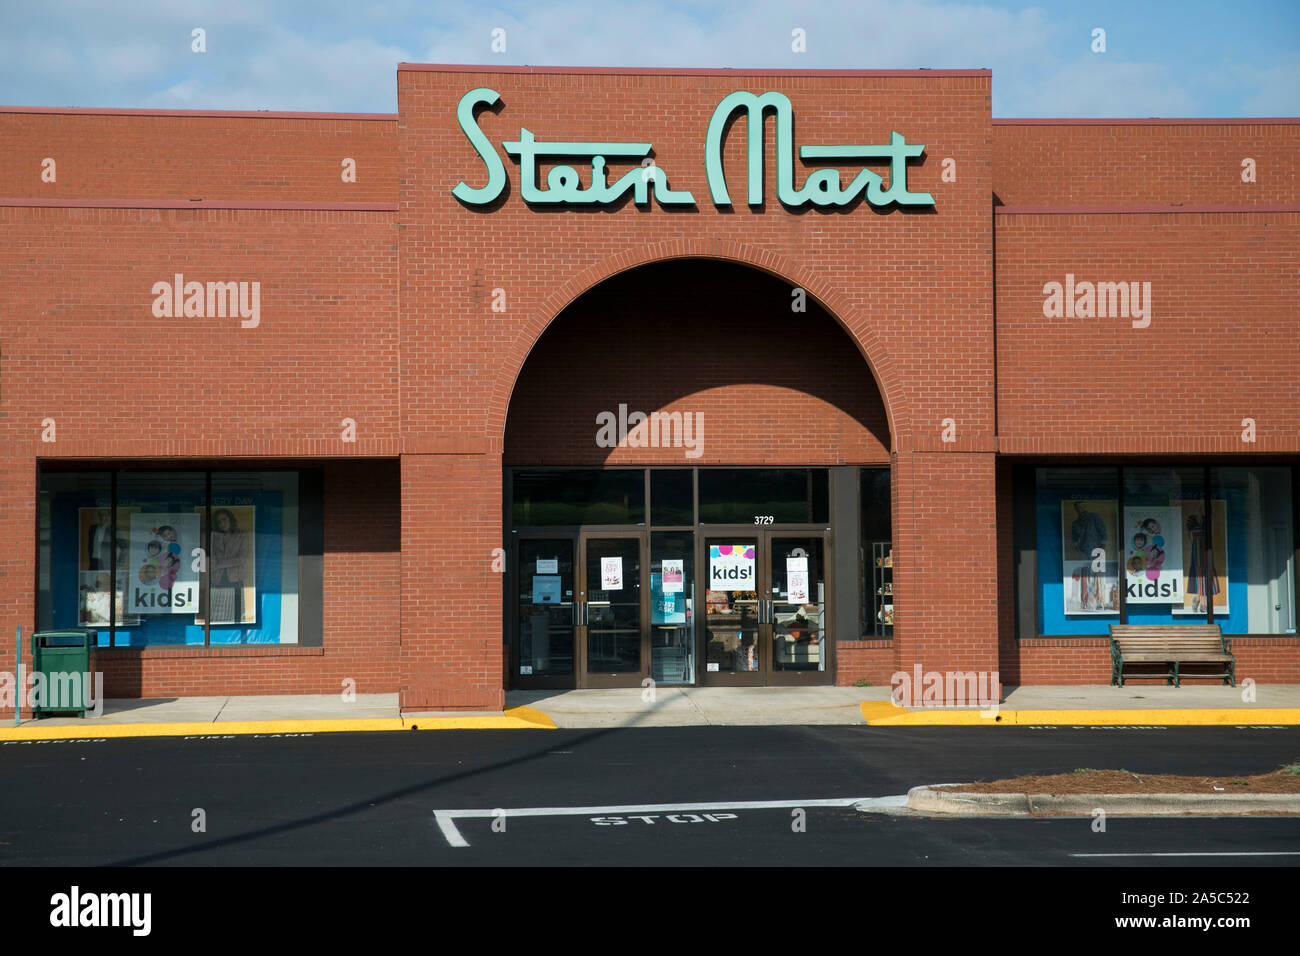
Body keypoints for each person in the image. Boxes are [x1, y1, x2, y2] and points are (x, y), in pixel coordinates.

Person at [211, 509, 251, 622]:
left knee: (237, 613)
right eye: (219, 522)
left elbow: (242, 559)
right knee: (217, 613)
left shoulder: (241, 535)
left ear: (230, 520)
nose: (222, 523)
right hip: (217, 579)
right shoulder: (213, 536)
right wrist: (222, 564)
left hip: (236, 578)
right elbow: (211, 560)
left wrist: (219, 564)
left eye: (224, 519)